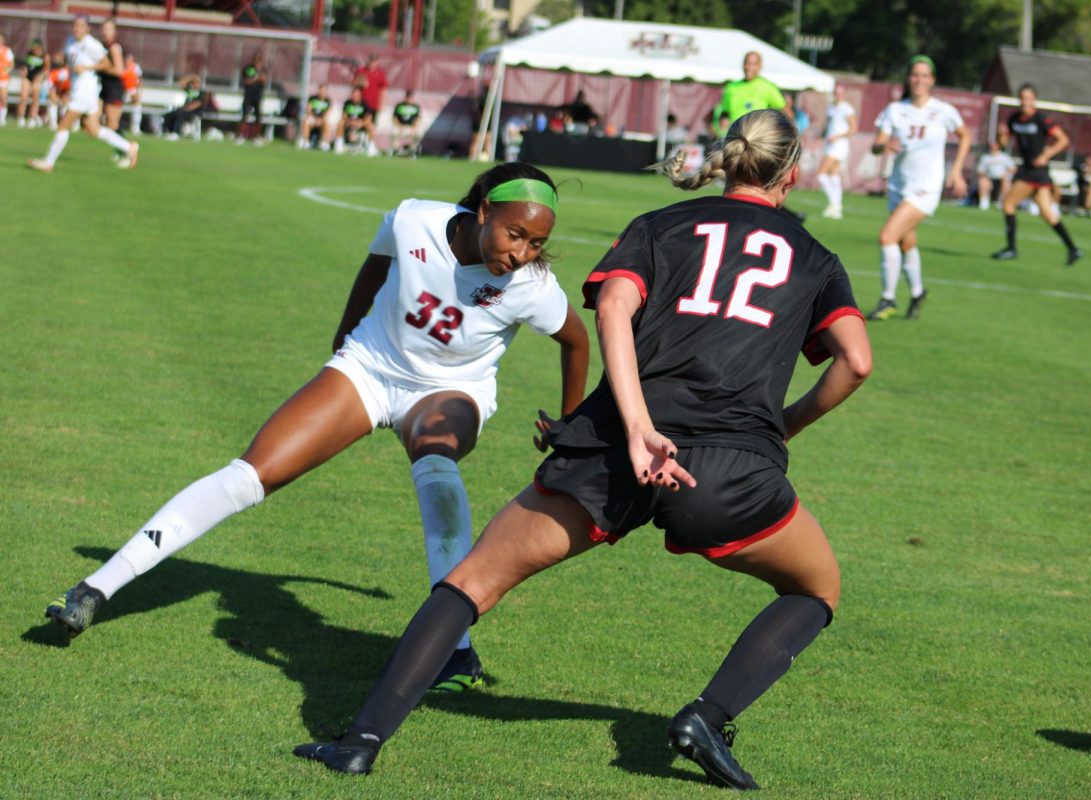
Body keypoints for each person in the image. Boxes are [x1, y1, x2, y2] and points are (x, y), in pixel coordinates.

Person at [291, 108, 872, 791]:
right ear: (792, 175)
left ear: (726, 159)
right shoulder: (816, 258)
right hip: (729, 466)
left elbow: (614, 311)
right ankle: (708, 716)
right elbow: (855, 362)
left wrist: (635, 427)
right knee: (817, 587)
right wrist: (785, 425)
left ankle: (360, 741)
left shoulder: (659, 224)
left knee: (474, 580)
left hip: (613, 449)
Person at [44, 162, 591, 693]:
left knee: (436, 457)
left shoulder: (531, 286)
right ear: (484, 209)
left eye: (535, 243)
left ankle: (456, 648)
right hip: (370, 367)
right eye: (515, 234)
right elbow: (377, 261)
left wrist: (569, 424)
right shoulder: (413, 220)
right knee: (250, 474)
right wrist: (345, 335)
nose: (522, 252)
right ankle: (96, 588)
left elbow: (576, 340)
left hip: (451, 390)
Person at [865, 55, 969, 321]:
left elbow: (965, 134)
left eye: (925, 75)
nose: (919, 80)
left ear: (932, 80)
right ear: (909, 78)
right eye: (915, 75)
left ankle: (888, 299)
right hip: (900, 184)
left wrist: (956, 171)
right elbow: (876, 144)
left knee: (887, 236)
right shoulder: (895, 109)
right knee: (905, 241)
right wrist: (883, 146)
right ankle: (918, 292)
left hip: (926, 187)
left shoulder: (943, 110)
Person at [28, 16, 138, 174]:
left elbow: (106, 63)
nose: (77, 28)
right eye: (75, 25)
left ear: (88, 29)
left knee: (63, 124)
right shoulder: (70, 41)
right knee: (94, 129)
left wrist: (86, 68)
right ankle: (129, 147)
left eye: (81, 26)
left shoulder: (91, 44)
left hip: (86, 91)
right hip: (78, 90)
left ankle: (48, 162)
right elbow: (70, 61)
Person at [991, 84, 1081, 263]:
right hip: (1028, 169)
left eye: (1028, 98)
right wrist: (1001, 134)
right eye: (1022, 98)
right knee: (1047, 214)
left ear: (1034, 100)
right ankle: (1073, 249)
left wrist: (1046, 154)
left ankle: (1011, 248)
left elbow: (1063, 140)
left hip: (1035, 171)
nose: (1025, 101)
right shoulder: (1014, 119)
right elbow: (1002, 143)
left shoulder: (1041, 120)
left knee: (1008, 204)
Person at [713, 51, 787, 133]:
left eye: (753, 64)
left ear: (760, 66)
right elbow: (724, 112)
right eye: (747, 63)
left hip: (757, 136)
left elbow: (784, 109)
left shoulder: (767, 87)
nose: (749, 67)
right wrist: (723, 122)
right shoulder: (731, 87)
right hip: (735, 135)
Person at [817, 84, 858, 219]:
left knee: (821, 175)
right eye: (835, 93)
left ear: (843, 94)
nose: (837, 95)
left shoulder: (846, 108)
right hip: (830, 144)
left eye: (840, 93)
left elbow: (853, 128)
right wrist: (822, 135)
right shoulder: (831, 108)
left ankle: (835, 204)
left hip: (839, 145)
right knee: (834, 176)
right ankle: (836, 209)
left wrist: (838, 137)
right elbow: (829, 126)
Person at [352, 54, 386, 155]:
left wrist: (382, 104)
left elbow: (384, 89)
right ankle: (359, 143)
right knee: (359, 123)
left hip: (373, 105)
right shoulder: (361, 71)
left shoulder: (380, 73)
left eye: (375, 62)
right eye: (371, 61)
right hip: (361, 105)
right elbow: (353, 83)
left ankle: (369, 145)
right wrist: (360, 83)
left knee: (372, 125)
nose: (372, 64)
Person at [97, 19, 126, 135]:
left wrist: (99, 67)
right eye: (104, 29)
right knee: (93, 119)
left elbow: (119, 71)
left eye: (109, 29)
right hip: (103, 87)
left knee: (112, 123)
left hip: (114, 88)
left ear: (114, 32)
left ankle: (127, 148)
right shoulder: (101, 46)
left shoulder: (114, 47)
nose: (105, 32)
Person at [330, 87, 375, 154]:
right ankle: (339, 145)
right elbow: (344, 115)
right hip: (349, 123)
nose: (354, 97)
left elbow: (368, 117)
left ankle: (371, 147)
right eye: (353, 95)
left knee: (370, 126)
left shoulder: (365, 104)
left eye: (356, 95)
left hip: (361, 124)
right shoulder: (348, 103)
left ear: (360, 96)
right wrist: (349, 121)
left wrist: (361, 123)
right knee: (340, 123)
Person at [15, 38, 48, 127]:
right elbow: (25, 65)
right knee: (23, 97)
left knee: (35, 99)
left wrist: (41, 76)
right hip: (27, 78)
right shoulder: (29, 54)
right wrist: (24, 70)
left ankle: (32, 118)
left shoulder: (45, 56)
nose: (33, 49)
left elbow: (46, 69)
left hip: (37, 79)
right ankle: (21, 118)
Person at [975, 140, 1016, 211]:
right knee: (983, 182)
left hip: (1003, 178)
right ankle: (984, 204)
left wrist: (1005, 174)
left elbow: (1013, 169)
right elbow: (980, 171)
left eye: (995, 145)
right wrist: (985, 176)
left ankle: (1002, 203)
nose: (993, 147)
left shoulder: (1004, 157)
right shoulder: (985, 158)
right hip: (990, 178)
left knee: (1006, 183)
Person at [237, 50, 267, 145]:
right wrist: (256, 78)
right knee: (244, 115)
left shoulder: (263, 69)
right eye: (256, 59)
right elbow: (247, 82)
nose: (258, 61)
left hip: (258, 95)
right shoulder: (248, 69)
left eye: (260, 59)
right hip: (248, 94)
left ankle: (256, 137)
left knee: (258, 116)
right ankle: (241, 135)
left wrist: (259, 73)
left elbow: (264, 81)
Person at [162, 74, 203, 139]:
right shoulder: (190, 91)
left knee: (181, 115)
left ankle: (177, 133)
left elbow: (197, 104)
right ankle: (169, 131)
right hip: (184, 109)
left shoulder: (201, 93)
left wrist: (186, 109)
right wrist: (190, 78)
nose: (193, 85)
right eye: (193, 83)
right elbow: (181, 83)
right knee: (169, 115)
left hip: (194, 111)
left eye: (195, 83)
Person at [299, 83, 332, 149]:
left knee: (327, 124)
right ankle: (306, 142)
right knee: (306, 121)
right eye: (321, 90)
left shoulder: (328, 101)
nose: (322, 92)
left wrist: (320, 120)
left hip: (322, 119)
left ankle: (325, 144)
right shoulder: (312, 98)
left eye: (324, 91)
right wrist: (315, 119)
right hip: (313, 118)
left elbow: (327, 113)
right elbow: (309, 110)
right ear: (318, 90)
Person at [390, 90, 421, 156]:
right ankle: (395, 150)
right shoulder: (399, 105)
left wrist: (414, 128)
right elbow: (394, 118)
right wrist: (399, 126)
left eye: (410, 97)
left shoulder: (416, 107)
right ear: (405, 97)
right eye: (408, 97)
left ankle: (412, 150)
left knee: (419, 133)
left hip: (410, 127)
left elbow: (417, 119)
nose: (409, 99)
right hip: (400, 126)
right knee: (393, 132)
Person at [1073, 153, 1091, 219]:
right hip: (1084, 186)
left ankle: (1090, 206)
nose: (1089, 161)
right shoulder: (1082, 167)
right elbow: (1081, 176)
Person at [122, 52, 143, 135]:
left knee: (137, 106)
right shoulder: (121, 66)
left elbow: (140, 80)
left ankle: (135, 128)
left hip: (132, 89)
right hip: (121, 89)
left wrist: (139, 92)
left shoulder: (135, 67)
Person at [0, 34, 12, 126]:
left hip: (3, 78)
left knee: (3, 98)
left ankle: (2, 118)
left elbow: (11, 64)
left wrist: (6, 71)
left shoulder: (7, 51)